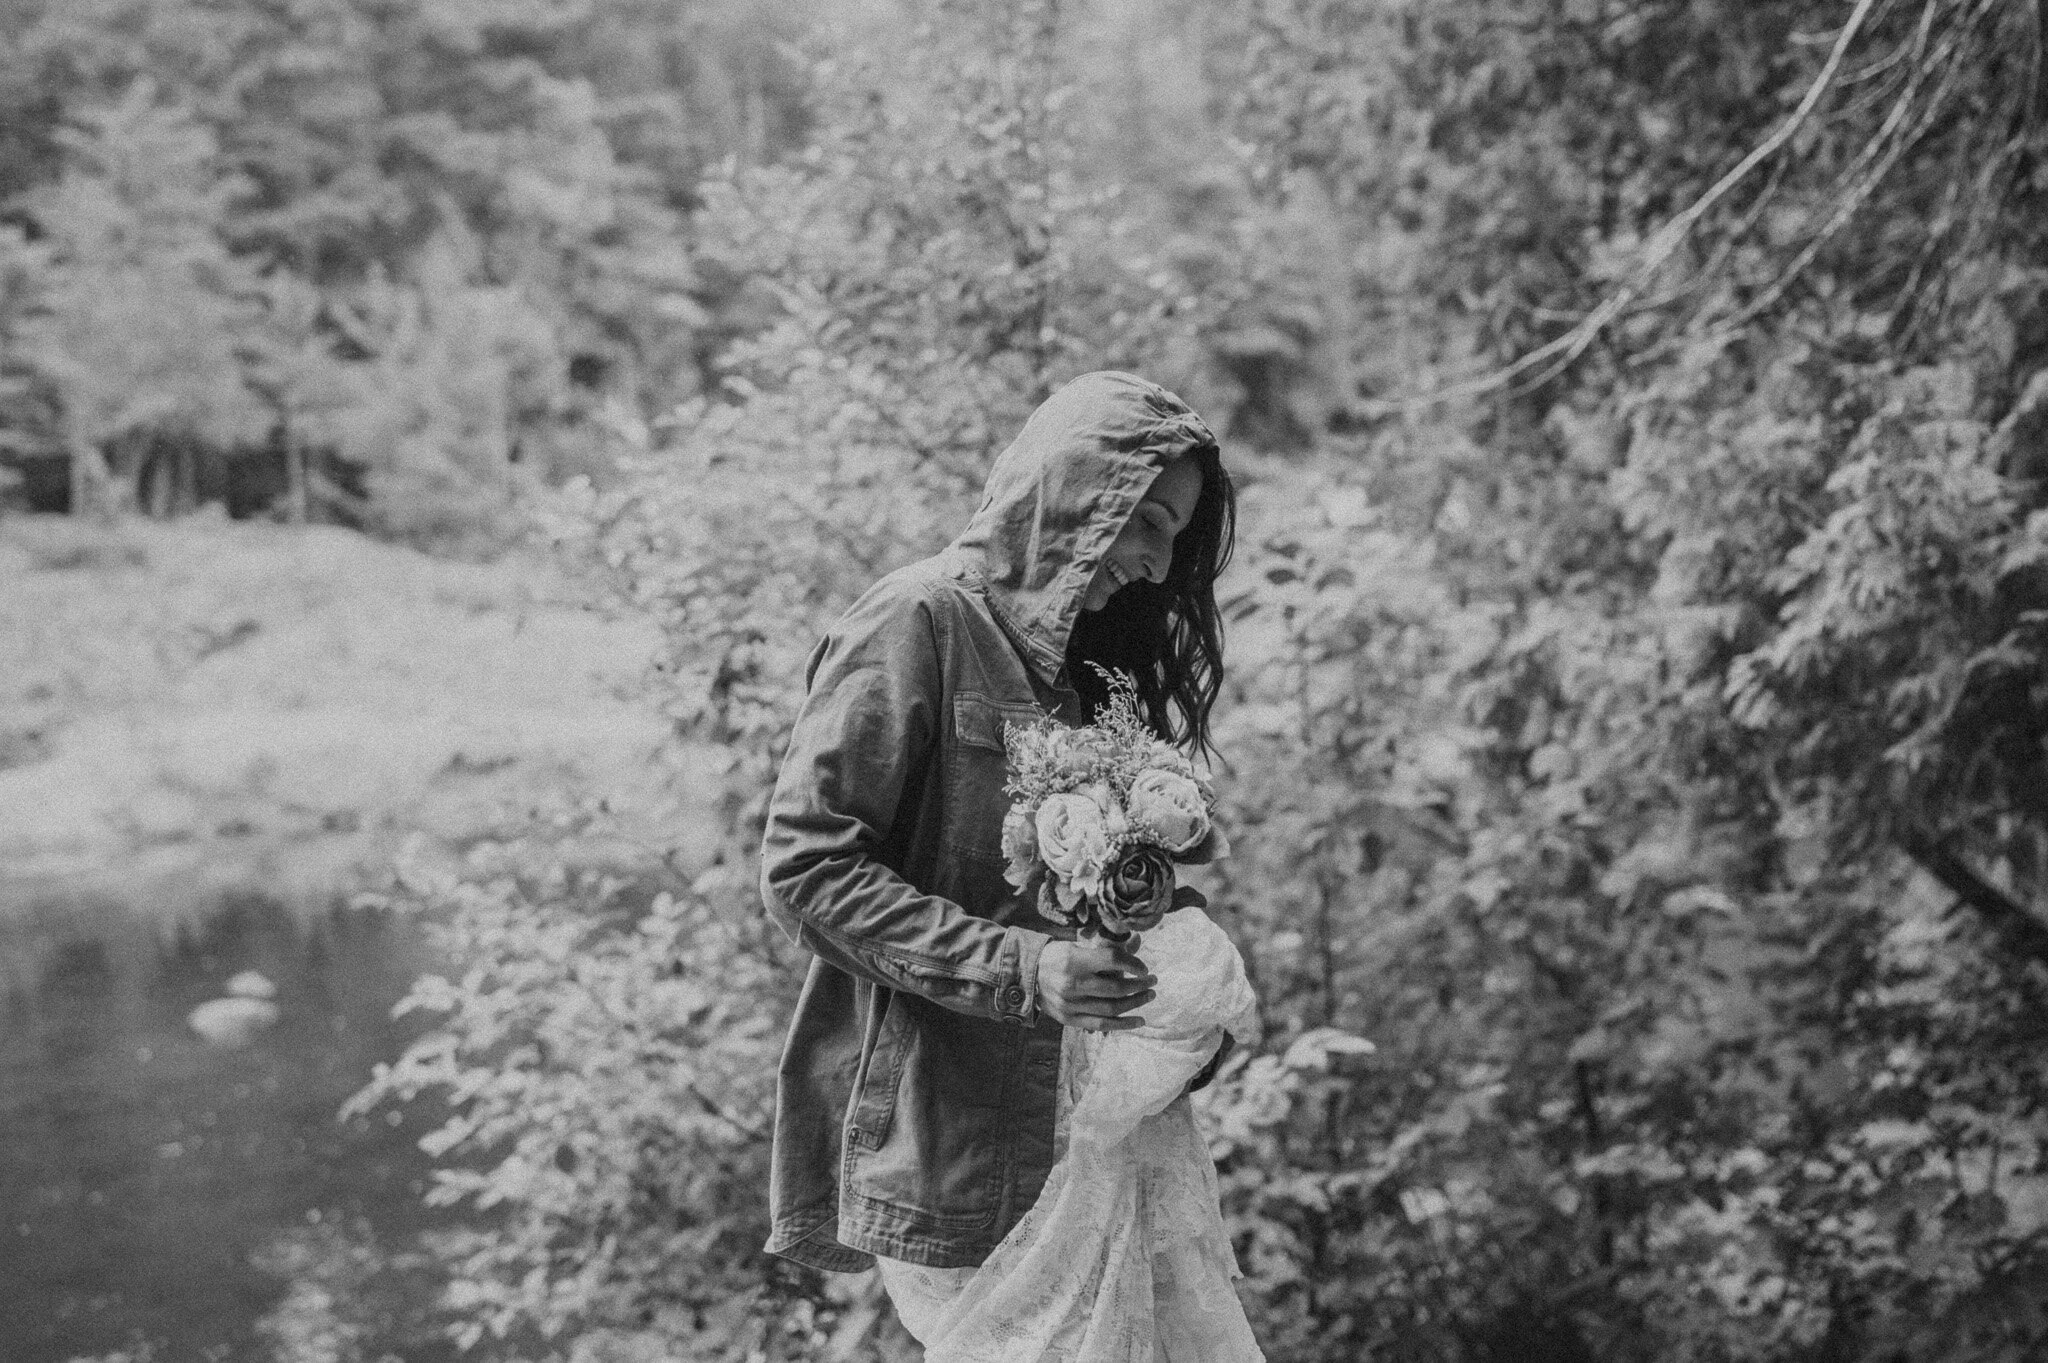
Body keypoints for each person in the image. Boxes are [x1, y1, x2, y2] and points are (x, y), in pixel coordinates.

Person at [759, 371, 1261, 1359]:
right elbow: (807, 870)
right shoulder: (917, 621)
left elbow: (1074, 908)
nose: (1159, 568)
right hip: (955, 1145)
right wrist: (1027, 970)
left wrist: (1168, 998)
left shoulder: (1076, 671)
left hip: (1090, 1144)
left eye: (1174, 538)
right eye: (1146, 523)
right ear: (1077, 493)